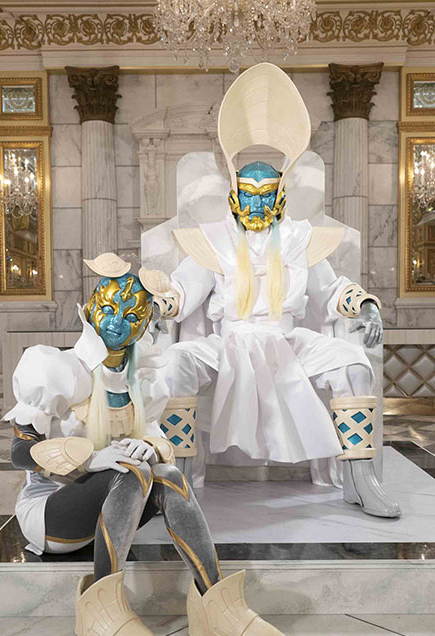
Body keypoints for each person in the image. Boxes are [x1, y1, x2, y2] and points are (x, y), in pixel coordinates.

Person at [140, 63, 401, 519]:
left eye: (266, 194)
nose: (257, 202)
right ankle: (176, 484)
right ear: (235, 196)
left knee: (353, 363)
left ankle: (360, 481)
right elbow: (181, 292)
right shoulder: (213, 240)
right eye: (249, 192)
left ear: (280, 197)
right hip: (229, 341)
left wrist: (364, 306)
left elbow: (331, 289)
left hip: (288, 338)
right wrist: (157, 306)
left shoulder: (301, 238)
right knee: (175, 362)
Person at [4, 252, 292, 636]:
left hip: (112, 506)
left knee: (168, 475)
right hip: (50, 513)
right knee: (132, 471)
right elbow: (19, 453)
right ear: (91, 308)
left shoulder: (144, 382)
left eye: (130, 315)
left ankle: (215, 605)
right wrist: (90, 459)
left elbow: (158, 441)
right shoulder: (57, 368)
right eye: (108, 308)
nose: (116, 322)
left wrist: (150, 446)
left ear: (143, 325)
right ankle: (101, 608)